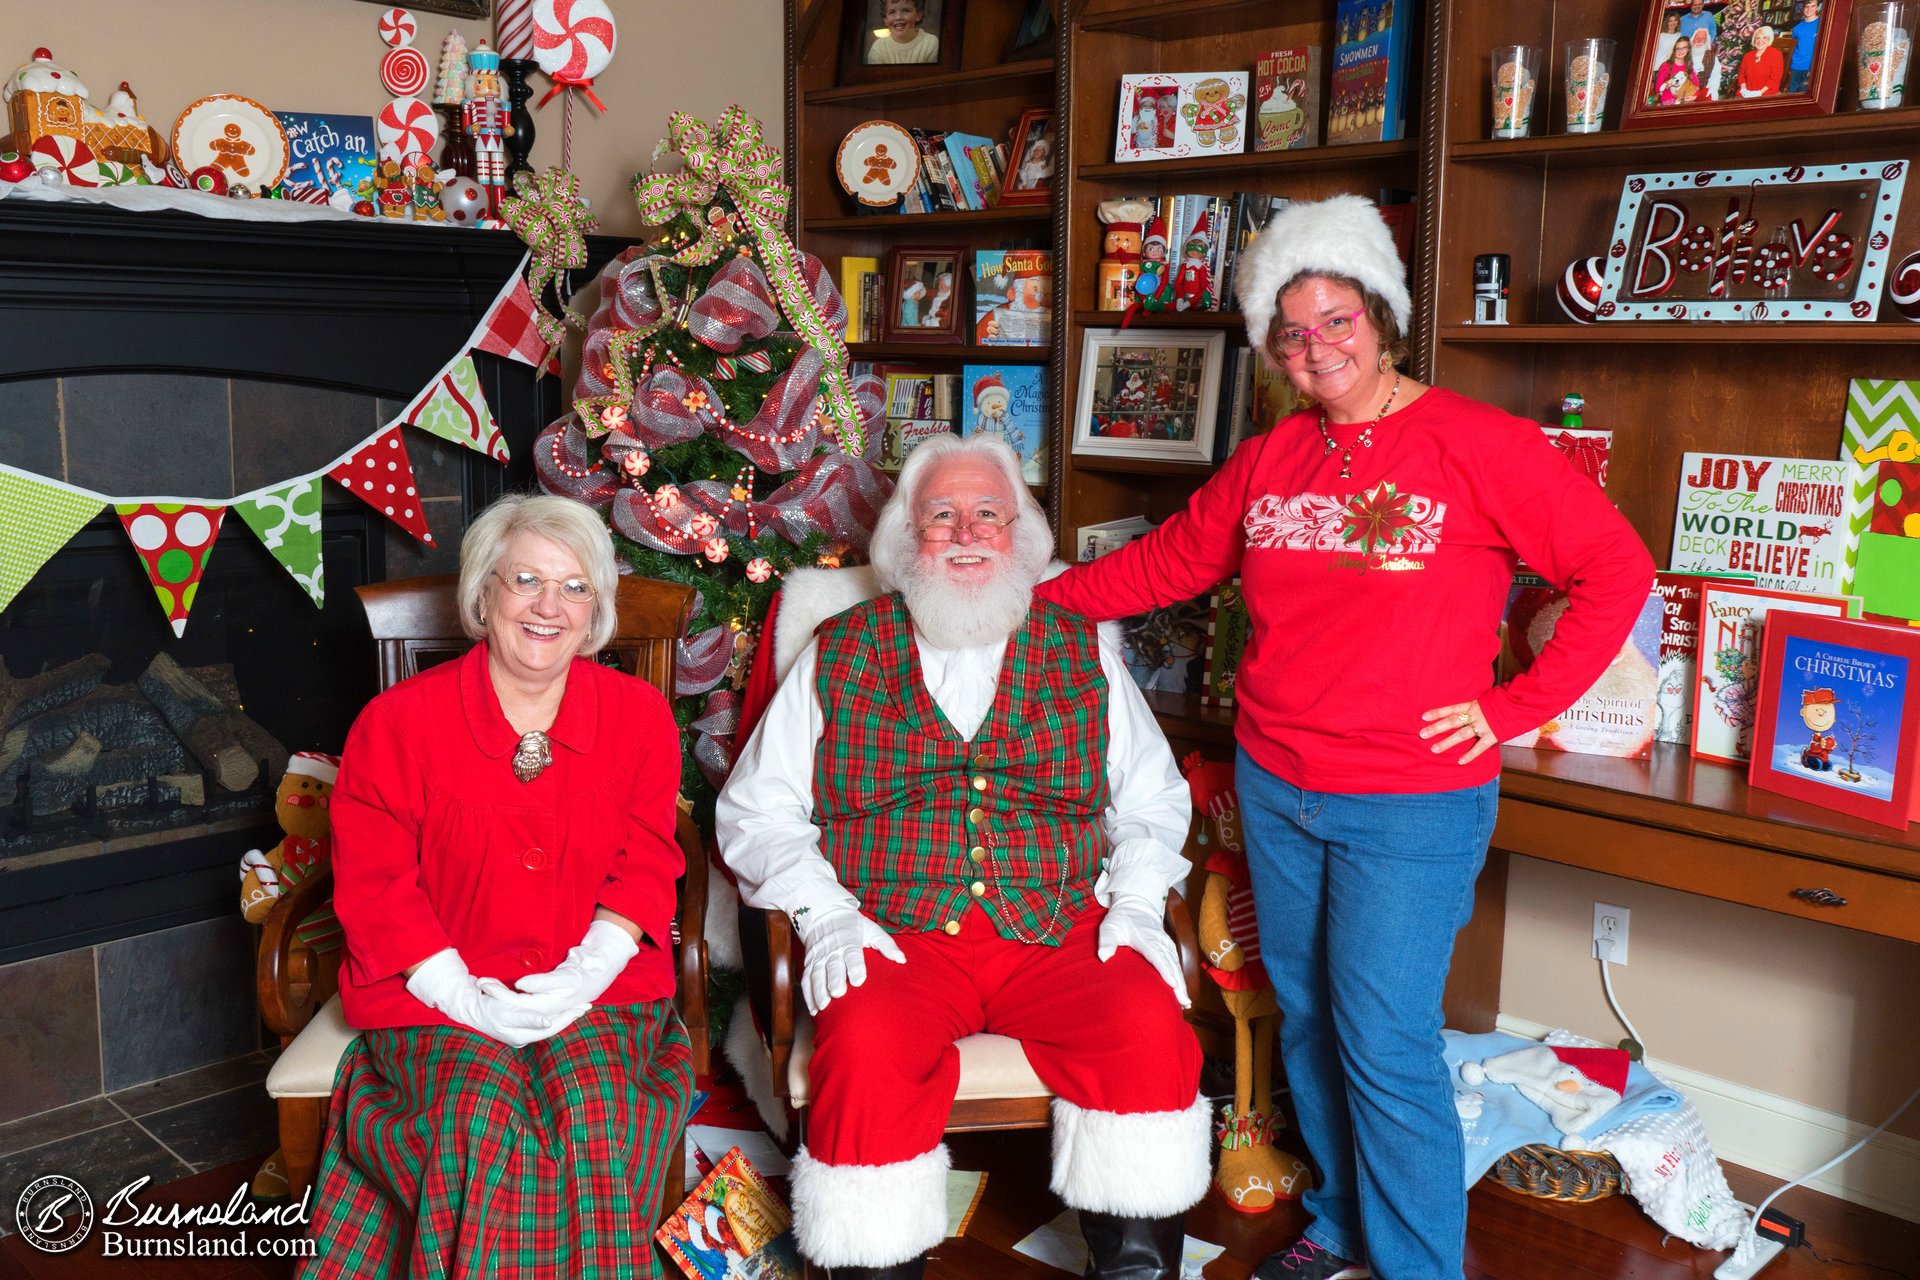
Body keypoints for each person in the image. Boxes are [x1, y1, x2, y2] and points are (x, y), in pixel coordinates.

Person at [1031, 195, 1655, 1280]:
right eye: (1291, 329)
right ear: (1270, 347)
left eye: (1336, 319)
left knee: (1384, 1037)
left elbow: (1617, 572)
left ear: (1382, 316)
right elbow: (1168, 561)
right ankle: (1343, 1218)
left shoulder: (1479, 445)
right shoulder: (1273, 455)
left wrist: (1510, 710)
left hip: (1411, 797)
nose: (1316, 346)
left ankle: (1417, 1265)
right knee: (1310, 1016)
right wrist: (1033, 596)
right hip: (1279, 781)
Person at [716, 433, 1208, 1280]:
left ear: (1021, 537)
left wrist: (1132, 903)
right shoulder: (841, 648)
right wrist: (826, 916)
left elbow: (1153, 798)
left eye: (989, 514)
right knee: (863, 1052)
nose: (968, 532)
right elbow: (756, 809)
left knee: (1146, 1028)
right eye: (942, 516)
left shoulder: (1082, 647)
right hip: (895, 934)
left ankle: (1136, 1269)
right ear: (908, 538)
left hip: (1057, 927)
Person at [298, 494, 693, 1278]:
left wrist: (588, 971)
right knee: (479, 1120)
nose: (551, 606)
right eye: (526, 580)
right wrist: (457, 991)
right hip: (432, 989)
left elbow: (649, 858)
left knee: (591, 1113)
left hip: (600, 988)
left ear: (597, 612)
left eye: (576, 587)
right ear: (484, 594)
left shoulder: (639, 716)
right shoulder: (395, 723)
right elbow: (376, 883)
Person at [867, 0, 939, 64]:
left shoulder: (931, 43)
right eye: (892, 12)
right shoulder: (878, 48)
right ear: (885, 19)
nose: (898, 17)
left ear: (918, 15)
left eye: (905, 10)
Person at [1738, 25, 1785, 96]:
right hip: (1747, 92)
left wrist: (1759, 92)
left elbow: (1775, 78)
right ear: (1754, 40)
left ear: (1769, 40)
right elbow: (1741, 75)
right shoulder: (1747, 56)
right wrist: (1744, 90)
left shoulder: (1776, 54)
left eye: (1764, 38)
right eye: (1758, 38)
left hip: (1766, 93)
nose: (1760, 41)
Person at [1788, 0, 1822, 92]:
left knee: (1805, 95)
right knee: (1791, 93)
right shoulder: (1797, 28)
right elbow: (1793, 47)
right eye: (1807, 6)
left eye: (1812, 6)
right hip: (1795, 66)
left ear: (1817, 7)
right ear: (1803, 8)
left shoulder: (1822, 25)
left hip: (1811, 67)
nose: (1809, 9)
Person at [1656, 35, 1700, 102]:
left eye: (1684, 48)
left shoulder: (1688, 66)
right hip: (1668, 99)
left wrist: (1695, 95)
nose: (1680, 51)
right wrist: (1666, 86)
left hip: (1684, 99)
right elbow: (1657, 88)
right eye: (1678, 48)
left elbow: (1696, 85)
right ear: (1674, 50)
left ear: (1688, 49)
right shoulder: (1666, 65)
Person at [1689, 25, 1723, 98]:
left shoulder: (1712, 56)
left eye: (1703, 39)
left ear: (1707, 41)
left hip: (1704, 90)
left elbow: (1716, 75)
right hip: (1686, 91)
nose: (1699, 41)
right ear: (1692, 40)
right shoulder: (1686, 54)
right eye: (1697, 38)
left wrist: (1713, 88)